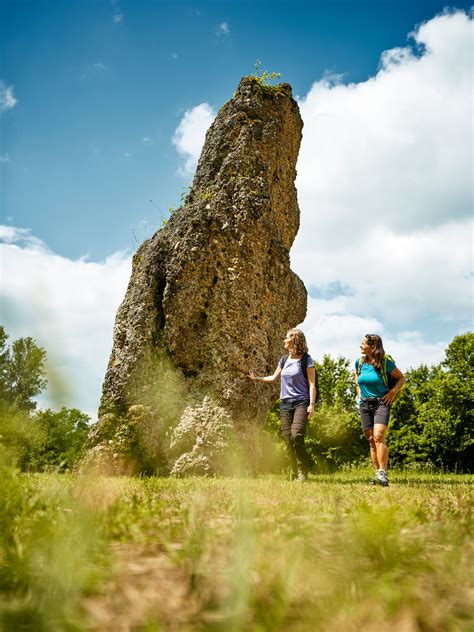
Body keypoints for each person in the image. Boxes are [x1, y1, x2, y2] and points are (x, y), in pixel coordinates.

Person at [248, 329, 316, 481]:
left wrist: (311, 405)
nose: (284, 340)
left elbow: (312, 385)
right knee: (287, 438)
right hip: (285, 404)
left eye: (286, 338)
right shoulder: (284, 360)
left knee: (296, 435)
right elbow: (273, 378)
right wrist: (256, 378)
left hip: (301, 402)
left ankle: (303, 470)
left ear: (294, 339)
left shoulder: (307, 360)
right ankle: (293, 472)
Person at [355, 334, 406, 486]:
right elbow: (357, 381)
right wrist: (359, 396)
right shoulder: (359, 363)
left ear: (372, 347)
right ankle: (377, 474)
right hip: (365, 404)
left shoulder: (385, 362)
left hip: (381, 403)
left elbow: (402, 378)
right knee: (371, 440)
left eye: (363, 343)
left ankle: (383, 474)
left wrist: (392, 392)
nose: (360, 346)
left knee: (378, 436)